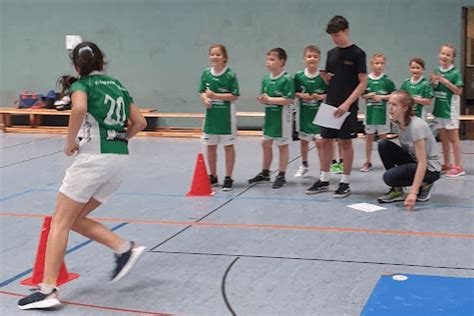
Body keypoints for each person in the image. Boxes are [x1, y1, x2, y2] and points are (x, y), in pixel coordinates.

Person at [18, 42, 147, 310]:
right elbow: (140, 122)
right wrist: (121, 140)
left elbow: (78, 110)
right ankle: (124, 248)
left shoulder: (82, 85)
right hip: (119, 160)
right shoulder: (119, 86)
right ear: (103, 62)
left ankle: (47, 290)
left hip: (92, 160)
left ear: (77, 66)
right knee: (75, 219)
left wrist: (69, 142)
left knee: (59, 222)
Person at [305, 15, 367, 198]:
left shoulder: (358, 54)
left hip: (348, 106)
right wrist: (326, 79)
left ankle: (345, 182)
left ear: (346, 31)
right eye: (332, 36)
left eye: (338, 34)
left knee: (345, 142)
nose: (335, 39)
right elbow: (332, 79)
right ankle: (324, 179)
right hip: (330, 103)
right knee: (325, 141)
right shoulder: (331, 53)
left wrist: (347, 104)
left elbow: (363, 82)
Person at [377, 90, 441, 210]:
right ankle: (397, 191)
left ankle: (426, 183)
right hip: (413, 160)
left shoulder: (417, 126)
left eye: (394, 105)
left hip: (430, 168)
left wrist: (413, 193)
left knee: (389, 177)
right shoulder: (396, 123)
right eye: (389, 104)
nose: (390, 108)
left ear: (405, 108)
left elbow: (422, 162)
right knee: (383, 144)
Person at [248, 48, 294, 189]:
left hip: (282, 118)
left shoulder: (287, 79)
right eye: (267, 59)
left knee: (282, 146)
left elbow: (289, 99)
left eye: (272, 59)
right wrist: (263, 100)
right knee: (265, 143)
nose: (268, 62)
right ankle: (265, 172)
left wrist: (270, 99)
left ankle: (281, 174)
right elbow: (266, 97)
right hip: (270, 117)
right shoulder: (266, 79)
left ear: (282, 61)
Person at [199, 44, 240, 191]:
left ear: (225, 57)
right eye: (212, 54)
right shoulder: (206, 73)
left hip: (226, 118)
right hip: (211, 118)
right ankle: (213, 176)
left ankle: (228, 177)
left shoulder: (230, 75)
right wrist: (205, 99)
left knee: (228, 146)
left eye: (218, 54)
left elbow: (234, 95)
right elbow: (202, 91)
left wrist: (215, 96)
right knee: (210, 147)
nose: (214, 57)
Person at [430, 44, 465, 177]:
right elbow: (432, 88)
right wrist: (432, 82)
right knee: (443, 137)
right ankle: (447, 163)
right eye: (443, 53)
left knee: (453, 138)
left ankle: (458, 166)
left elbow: (458, 91)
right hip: (439, 109)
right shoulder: (436, 70)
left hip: (450, 109)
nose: (444, 56)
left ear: (452, 58)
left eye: (448, 55)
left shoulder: (455, 73)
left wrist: (445, 82)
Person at [293, 45, 327, 179]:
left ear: (319, 59)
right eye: (309, 56)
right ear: (304, 59)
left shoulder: (323, 76)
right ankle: (304, 164)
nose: (312, 59)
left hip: (319, 114)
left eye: (315, 56)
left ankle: (322, 169)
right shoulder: (299, 76)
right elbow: (293, 92)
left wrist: (321, 97)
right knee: (304, 141)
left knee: (320, 143)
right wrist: (302, 96)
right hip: (304, 114)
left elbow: (329, 93)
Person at [360, 53, 396, 172]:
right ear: (371, 64)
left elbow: (394, 96)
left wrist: (381, 97)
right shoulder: (367, 80)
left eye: (381, 63)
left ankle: (388, 162)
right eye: (377, 63)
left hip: (383, 115)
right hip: (370, 115)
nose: (379, 65)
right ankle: (367, 161)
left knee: (384, 140)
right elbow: (362, 95)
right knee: (369, 138)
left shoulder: (387, 81)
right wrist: (368, 95)